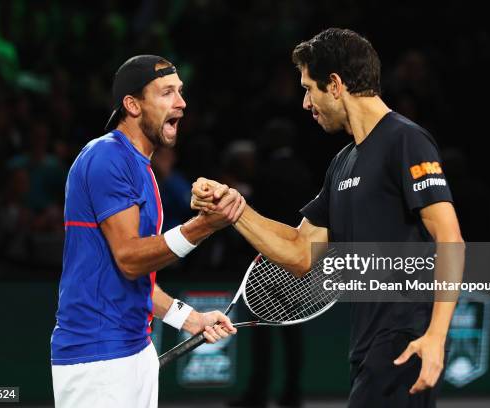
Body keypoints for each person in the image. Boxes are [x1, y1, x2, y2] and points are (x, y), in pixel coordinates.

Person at [192, 29, 464, 408]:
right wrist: (233, 208)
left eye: (309, 88)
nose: (305, 102)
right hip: (368, 347)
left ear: (334, 85)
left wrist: (436, 335)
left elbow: (450, 237)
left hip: (406, 339)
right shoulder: (342, 162)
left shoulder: (406, 140)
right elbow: (300, 251)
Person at [50, 55, 245, 408]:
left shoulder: (139, 167)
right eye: (167, 92)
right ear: (132, 105)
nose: (182, 103)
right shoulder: (108, 157)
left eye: (181, 92)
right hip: (98, 359)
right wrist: (202, 227)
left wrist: (191, 319)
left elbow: (131, 283)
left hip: (131, 351)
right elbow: (129, 260)